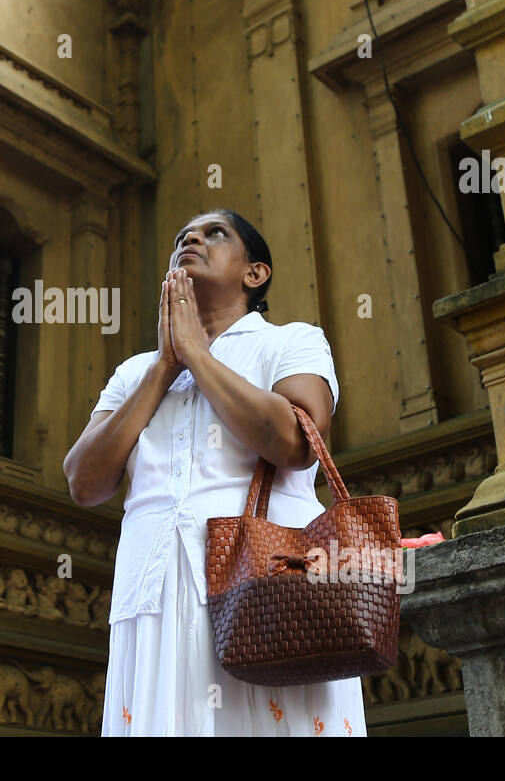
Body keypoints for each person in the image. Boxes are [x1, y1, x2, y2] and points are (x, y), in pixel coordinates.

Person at [63, 208, 366, 737]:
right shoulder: (135, 372)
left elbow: (297, 444)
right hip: (152, 594)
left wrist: (198, 356)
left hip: (271, 590)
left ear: (255, 274)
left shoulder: (291, 341)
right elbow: (85, 483)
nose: (192, 240)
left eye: (214, 234)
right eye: (183, 236)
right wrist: (164, 368)